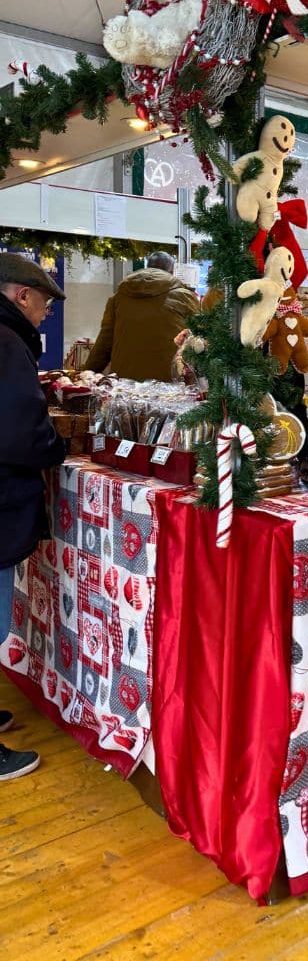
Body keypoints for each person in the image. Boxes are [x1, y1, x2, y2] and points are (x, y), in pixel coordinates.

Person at [0, 253, 68, 780]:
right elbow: (20, 430)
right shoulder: (7, 343)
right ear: (22, 295)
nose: (45, 313)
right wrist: (56, 448)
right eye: (44, 302)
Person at [85, 252, 200, 381]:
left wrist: (86, 374)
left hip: (125, 383)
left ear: (147, 266)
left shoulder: (118, 298)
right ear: (172, 270)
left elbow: (104, 343)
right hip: (169, 382)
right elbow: (201, 337)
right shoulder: (185, 296)